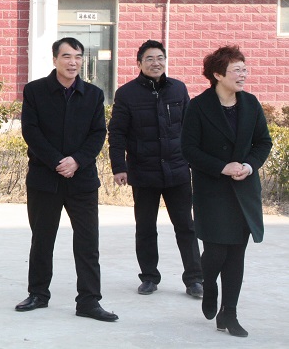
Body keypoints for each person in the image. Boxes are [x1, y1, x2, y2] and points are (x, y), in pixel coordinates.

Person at [15, 37, 118, 322]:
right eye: (67, 56)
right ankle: (38, 293)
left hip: (82, 180)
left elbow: (98, 133)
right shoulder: (35, 91)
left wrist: (77, 161)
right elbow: (31, 131)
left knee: (88, 242)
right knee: (42, 239)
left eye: (78, 57)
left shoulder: (94, 95)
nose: (73, 62)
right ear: (55, 59)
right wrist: (57, 162)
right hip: (44, 179)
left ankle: (89, 300)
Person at [181, 45, 272, 338]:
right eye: (236, 70)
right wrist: (222, 167)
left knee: (236, 253)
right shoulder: (199, 106)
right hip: (212, 189)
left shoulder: (251, 104)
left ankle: (228, 313)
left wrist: (248, 165)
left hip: (243, 189)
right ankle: (209, 285)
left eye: (244, 69)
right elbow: (188, 149)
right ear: (218, 74)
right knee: (217, 250)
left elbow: (263, 142)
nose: (243, 74)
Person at [108, 40, 203, 297]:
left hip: (177, 170)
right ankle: (149, 277)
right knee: (146, 228)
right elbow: (117, 133)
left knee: (186, 226)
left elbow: (191, 129)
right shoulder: (127, 94)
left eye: (160, 58)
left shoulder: (178, 89)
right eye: (149, 59)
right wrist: (119, 167)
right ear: (139, 63)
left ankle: (194, 279)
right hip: (143, 171)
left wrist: (194, 160)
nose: (155, 63)